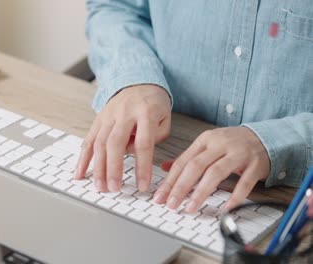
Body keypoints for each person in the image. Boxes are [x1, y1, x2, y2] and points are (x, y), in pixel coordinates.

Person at [74, 0, 313, 214]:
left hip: (286, 200)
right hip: (163, 151)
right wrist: (133, 77)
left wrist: (278, 142)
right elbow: (116, 7)